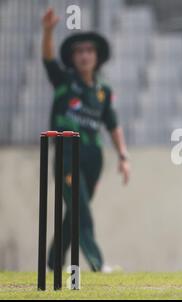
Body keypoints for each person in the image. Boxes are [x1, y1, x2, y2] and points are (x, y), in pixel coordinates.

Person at [41, 8, 130, 272]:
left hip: (93, 157)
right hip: (67, 153)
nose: (84, 55)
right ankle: (96, 262)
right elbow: (47, 60)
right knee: (81, 209)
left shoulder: (103, 90)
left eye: (89, 51)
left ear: (97, 56)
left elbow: (113, 125)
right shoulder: (64, 81)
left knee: (74, 213)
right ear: (72, 57)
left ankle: (53, 262)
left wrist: (124, 156)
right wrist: (47, 32)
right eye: (79, 51)